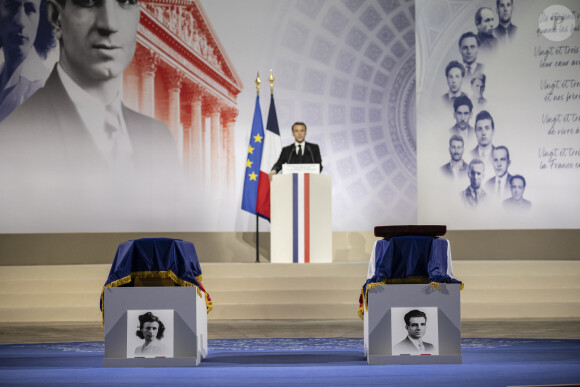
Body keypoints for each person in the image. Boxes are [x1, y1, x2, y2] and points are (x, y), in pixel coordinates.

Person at [0, 0, 183, 230]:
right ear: (56, 17)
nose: (109, 24)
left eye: (126, 1)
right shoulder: (13, 140)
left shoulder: (160, 139)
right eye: (88, 2)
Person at [0, 0, 56, 122]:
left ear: (40, 18)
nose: (20, 21)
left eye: (30, 9)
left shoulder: (43, 90)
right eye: (12, 6)